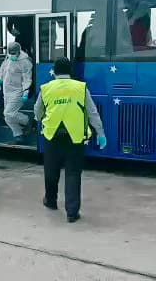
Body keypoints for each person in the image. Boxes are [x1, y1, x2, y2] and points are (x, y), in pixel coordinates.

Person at [34, 57, 107, 223]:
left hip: (52, 136)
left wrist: (44, 119)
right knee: (73, 173)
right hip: (75, 137)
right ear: (70, 71)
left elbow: (37, 112)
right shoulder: (80, 88)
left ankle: (51, 201)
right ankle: (72, 212)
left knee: (51, 170)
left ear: (55, 71)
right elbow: (93, 112)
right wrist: (100, 133)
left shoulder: (46, 88)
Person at [0, 41, 34, 144]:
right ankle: (18, 135)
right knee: (7, 116)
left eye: (14, 53)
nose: (12, 55)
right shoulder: (8, 59)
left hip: (18, 91)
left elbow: (27, 78)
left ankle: (27, 120)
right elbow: (2, 71)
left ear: (18, 51)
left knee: (8, 113)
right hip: (7, 92)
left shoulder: (25, 61)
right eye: (10, 52)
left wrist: (26, 91)